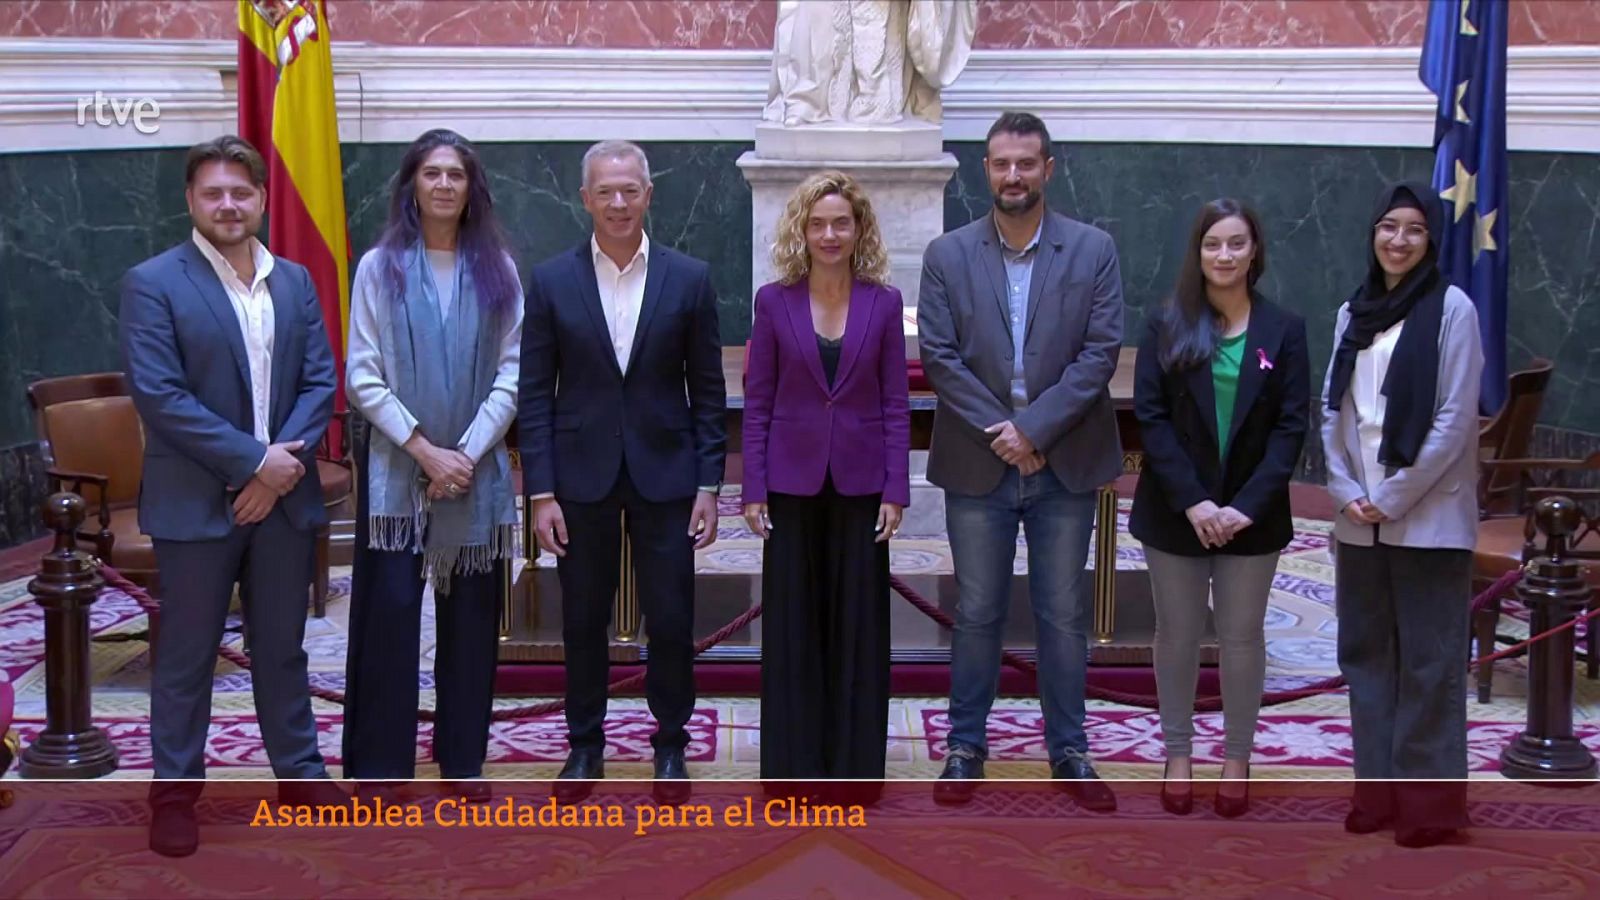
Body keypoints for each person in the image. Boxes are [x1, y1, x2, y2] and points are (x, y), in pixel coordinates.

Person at [118, 135, 345, 857]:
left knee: (281, 650)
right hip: (196, 502)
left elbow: (320, 382)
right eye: (213, 193)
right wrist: (252, 465)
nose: (227, 205)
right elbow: (160, 396)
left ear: (260, 200)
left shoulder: (296, 281)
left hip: (283, 501)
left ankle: (302, 778)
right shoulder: (153, 282)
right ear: (191, 200)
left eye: (240, 193)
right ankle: (176, 795)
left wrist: (278, 471)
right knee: (187, 657)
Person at [918, 111, 1124, 810]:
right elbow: (939, 358)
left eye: (1026, 164)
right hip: (979, 464)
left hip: (1064, 461)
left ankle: (1070, 748)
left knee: (1062, 612)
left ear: (1048, 169)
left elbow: (1101, 353)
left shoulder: (1093, 250)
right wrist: (1002, 432)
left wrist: (1033, 429)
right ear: (986, 169)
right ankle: (964, 746)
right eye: (1002, 164)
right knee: (977, 610)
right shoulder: (947, 255)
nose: (1013, 176)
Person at [518, 140, 726, 806]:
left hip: (667, 477)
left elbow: (710, 390)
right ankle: (585, 746)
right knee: (583, 620)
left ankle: (670, 745)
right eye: (604, 191)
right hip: (579, 481)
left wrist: (710, 484)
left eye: (629, 190)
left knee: (670, 618)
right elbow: (534, 394)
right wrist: (540, 491)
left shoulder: (688, 278)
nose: (617, 203)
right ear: (585, 199)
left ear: (648, 194)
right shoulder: (550, 281)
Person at [341, 129, 522, 801]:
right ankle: (382, 767)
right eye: (431, 173)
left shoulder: (497, 268)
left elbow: (513, 371)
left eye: (456, 174)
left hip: (472, 480)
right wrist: (424, 450)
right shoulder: (379, 267)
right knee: (388, 620)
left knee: (471, 629)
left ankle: (462, 762)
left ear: (472, 187)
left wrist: (466, 455)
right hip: (398, 477)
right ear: (411, 185)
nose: (444, 184)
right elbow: (363, 376)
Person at [1128, 199, 1310, 818]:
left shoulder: (1285, 330)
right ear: (1198, 252)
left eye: (1236, 244)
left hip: (1251, 518)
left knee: (1240, 637)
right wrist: (1196, 502)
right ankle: (1177, 755)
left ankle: (1237, 758)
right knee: (1176, 636)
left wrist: (1243, 508)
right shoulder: (1166, 323)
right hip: (1177, 511)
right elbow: (1149, 420)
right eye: (1213, 245)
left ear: (1254, 250)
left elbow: (1291, 430)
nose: (1224, 255)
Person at [1322, 181, 1482, 848]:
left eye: (1413, 229)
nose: (1398, 240)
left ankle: (1429, 809)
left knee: (1428, 662)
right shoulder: (1350, 312)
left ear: (1430, 241)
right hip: (1359, 518)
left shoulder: (1454, 310)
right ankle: (1377, 795)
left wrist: (1391, 497)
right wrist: (1343, 488)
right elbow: (1332, 411)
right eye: (1389, 227)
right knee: (1366, 658)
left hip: (1428, 519)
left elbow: (1452, 422)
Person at [742, 171, 911, 782]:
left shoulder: (884, 302)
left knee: (858, 631)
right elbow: (757, 399)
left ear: (859, 228)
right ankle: (792, 769)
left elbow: (896, 401)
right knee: (792, 628)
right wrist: (753, 486)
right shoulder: (774, 300)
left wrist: (897, 488)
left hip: (863, 486)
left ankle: (853, 770)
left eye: (841, 222)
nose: (830, 234)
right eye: (818, 224)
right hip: (790, 486)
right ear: (802, 230)